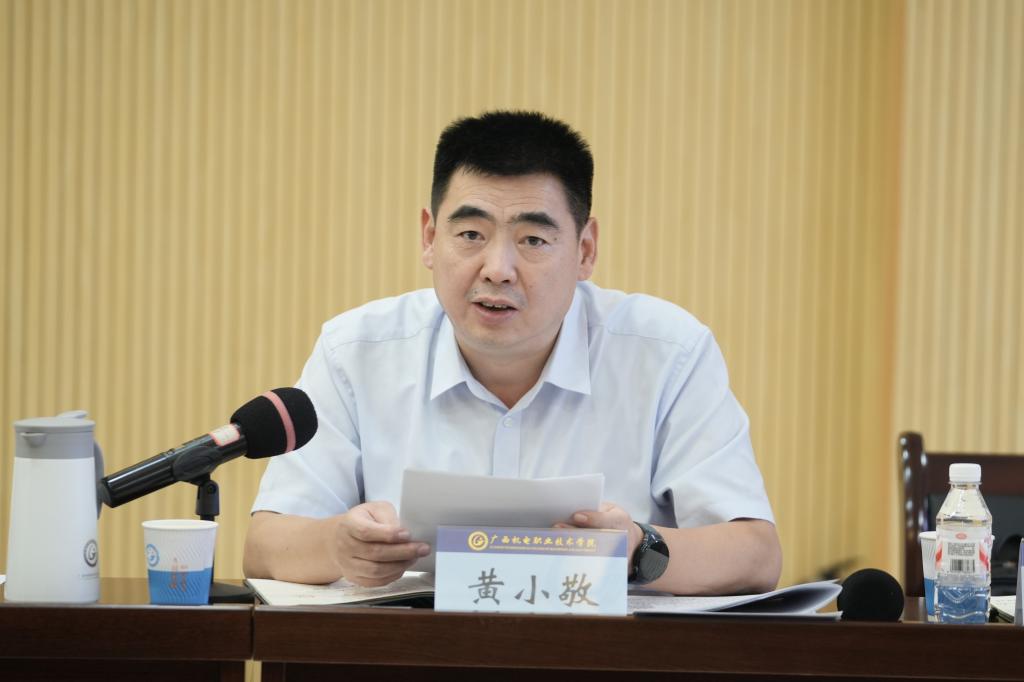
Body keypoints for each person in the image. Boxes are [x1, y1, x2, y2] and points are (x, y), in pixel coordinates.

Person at [243, 111, 782, 595]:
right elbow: (265, 547)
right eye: (470, 234)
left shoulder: (667, 354)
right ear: (429, 238)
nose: (498, 269)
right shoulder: (356, 351)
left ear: (585, 250)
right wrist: (338, 547)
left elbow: (756, 556)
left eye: (533, 240)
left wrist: (637, 549)